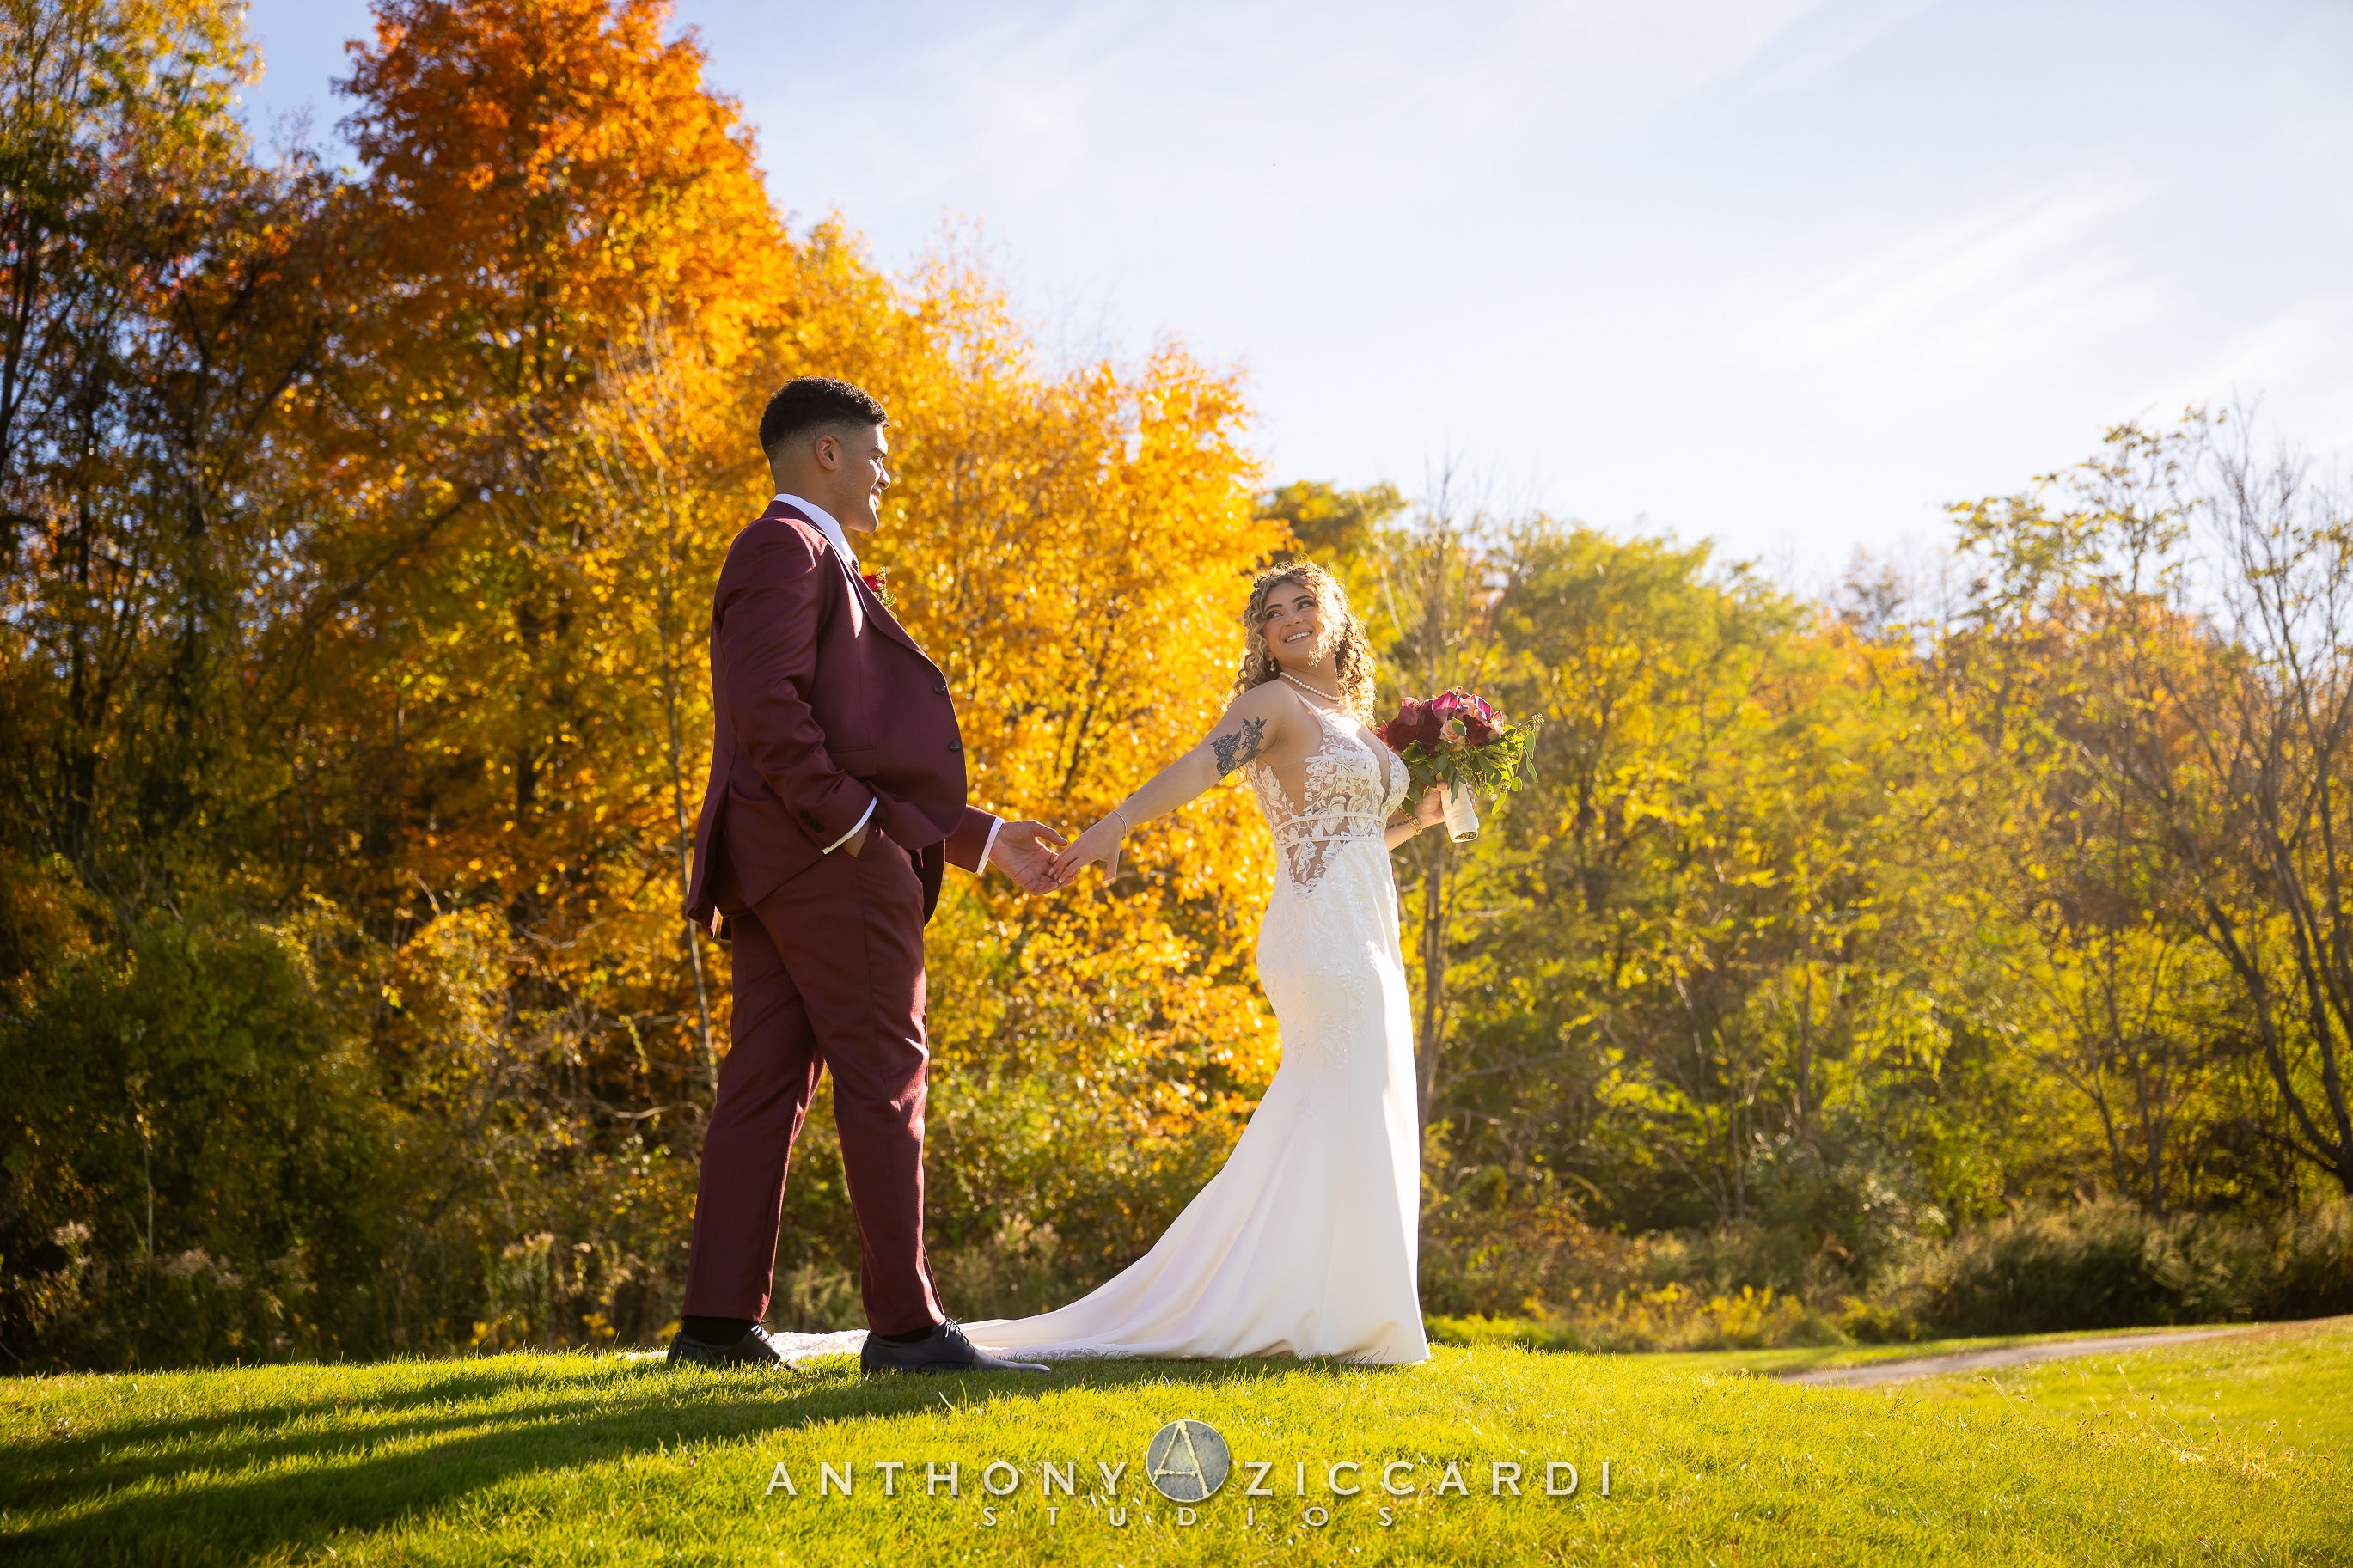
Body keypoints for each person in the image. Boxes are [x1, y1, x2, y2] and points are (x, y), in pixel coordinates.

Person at [667, 376, 1066, 1375]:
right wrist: (850, 831)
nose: (887, 473)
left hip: (786, 868)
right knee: (886, 1084)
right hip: (826, 867)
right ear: (828, 454)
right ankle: (905, 1328)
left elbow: (849, 734)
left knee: (761, 1089)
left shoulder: (809, 558)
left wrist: (979, 839)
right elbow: (769, 710)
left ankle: (716, 1327)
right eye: (876, 454)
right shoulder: (783, 548)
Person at [959, 561, 1444, 1364]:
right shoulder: (1273, 705)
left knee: (1357, 1103)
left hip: (1368, 932)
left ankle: (1345, 1309)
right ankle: (1314, 1311)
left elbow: (1354, 837)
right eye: (1272, 612)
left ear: (1336, 614)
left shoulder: (1354, 718)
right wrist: (1117, 824)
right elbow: (1199, 765)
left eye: (1303, 603)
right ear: (1261, 635)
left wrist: (1419, 820)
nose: (1288, 618)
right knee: (1344, 1095)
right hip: (1320, 937)